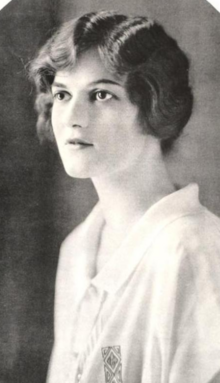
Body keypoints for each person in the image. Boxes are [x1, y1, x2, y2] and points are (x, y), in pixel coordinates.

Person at [29, 10, 220, 383]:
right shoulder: (78, 249)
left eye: (101, 94)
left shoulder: (197, 251)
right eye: (63, 94)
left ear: (154, 106)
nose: (72, 117)